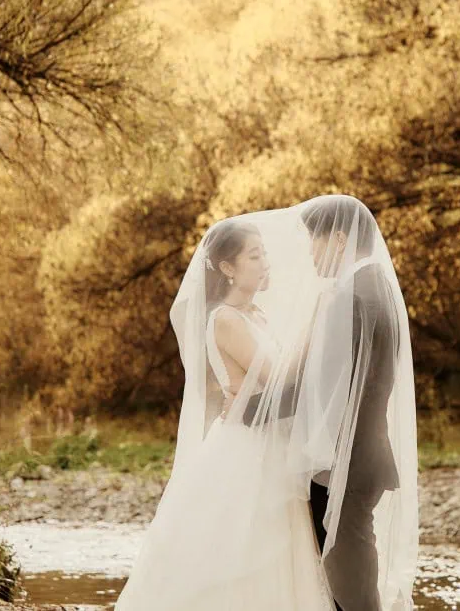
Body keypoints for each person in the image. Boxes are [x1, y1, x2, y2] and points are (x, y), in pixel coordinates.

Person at [115, 196, 418, 611]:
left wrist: (250, 408)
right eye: (255, 256)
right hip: (265, 451)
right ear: (227, 268)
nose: (308, 253)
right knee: (280, 557)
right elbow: (298, 379)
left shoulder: (349, 296)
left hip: (333, 453)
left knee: (338, 565)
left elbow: (304, 382)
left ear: (339, 239)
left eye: (315, 242)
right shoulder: (364, 288)